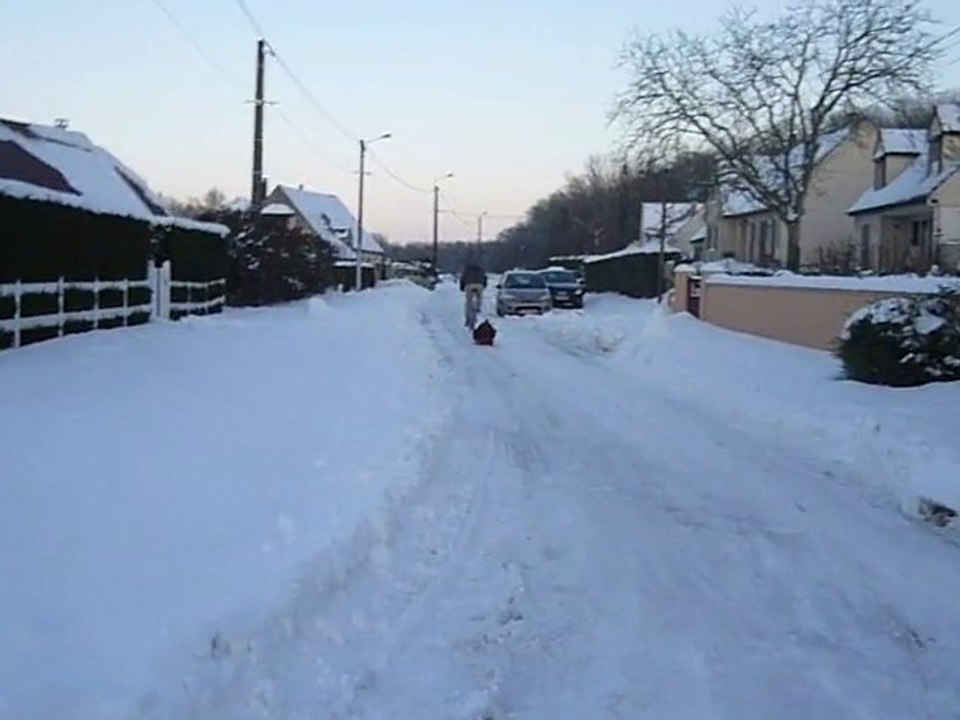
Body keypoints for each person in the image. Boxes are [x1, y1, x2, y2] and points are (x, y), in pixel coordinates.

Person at [459, 260, 487, 329]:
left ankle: (468, 319)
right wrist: (484, 285)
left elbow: (462, 279)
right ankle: (478, 307)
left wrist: (462, 287)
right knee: (480, 297)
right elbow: (485, 278)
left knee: (468, 302)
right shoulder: (481, 270)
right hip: (479, 285)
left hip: (469, 285)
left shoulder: (466, 270)